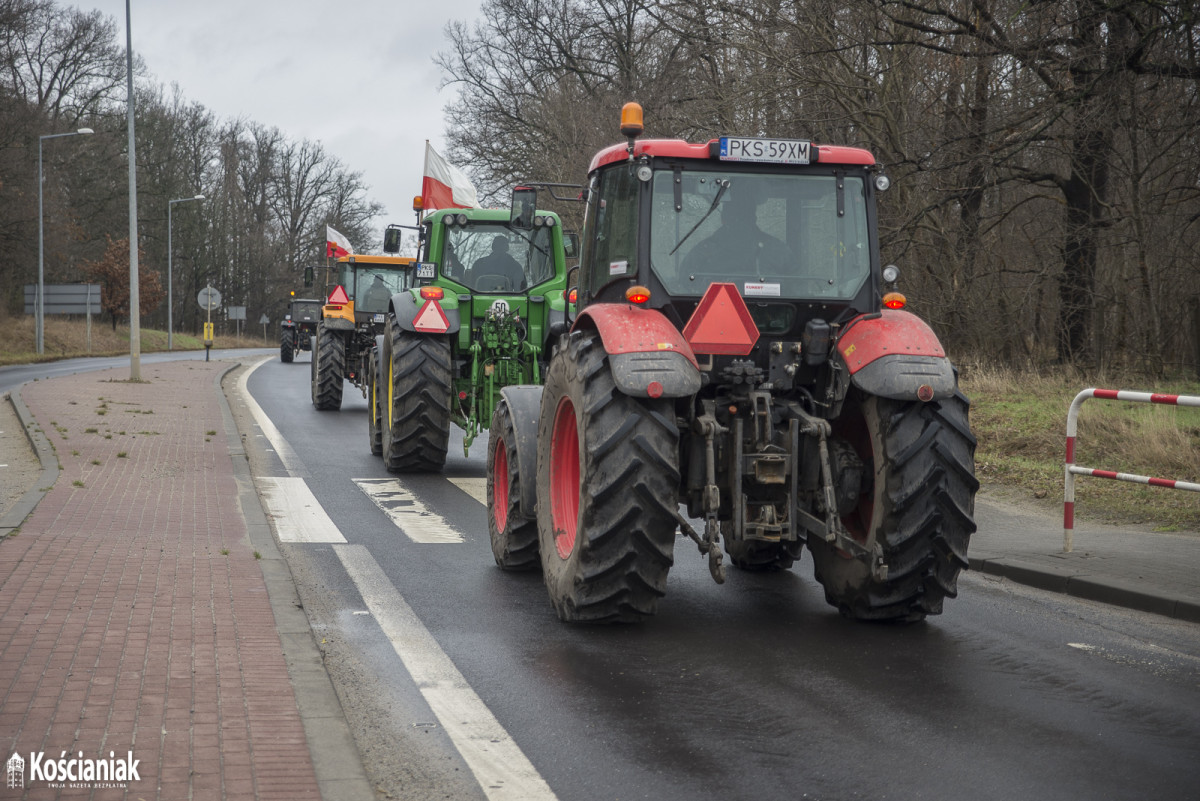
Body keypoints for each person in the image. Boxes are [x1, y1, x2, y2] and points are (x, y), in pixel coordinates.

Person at [681, 185, 796, 276]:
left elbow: (795, 287)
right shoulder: (778, 250)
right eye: (735, 217)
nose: (739, 222)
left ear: (723, 219)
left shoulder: (703, 251)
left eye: (742, 216)